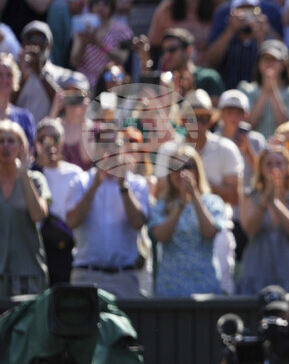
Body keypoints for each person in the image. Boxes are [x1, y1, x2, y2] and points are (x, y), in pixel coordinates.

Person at [65, 129, 151, 299]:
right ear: (95, 149)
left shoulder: (136, 183)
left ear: (122, 149)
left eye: (115, 145)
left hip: (123, 276)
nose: (110, 150)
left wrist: (123, 186)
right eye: (105, 145)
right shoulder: (81, 181)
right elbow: (72, 221)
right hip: (87, 275)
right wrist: (95, 186)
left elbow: (138, 222)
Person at [149, 145, 228, 296]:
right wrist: (180, 205)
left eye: (187, 166)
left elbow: (209, 232)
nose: (181, 173)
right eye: (175, 167)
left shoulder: (212, 202)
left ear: (197, 170)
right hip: (170, 287)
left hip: (204, 286)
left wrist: (194, 195)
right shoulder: (161, 204)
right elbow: (161, 236)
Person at [236, 143, 289, 295]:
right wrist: (264, 203)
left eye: (279, 164)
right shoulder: (249, 196)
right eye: (269, 164)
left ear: (287, 167)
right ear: (261, 169)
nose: (274, 169)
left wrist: (275, 203)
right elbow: (250, 229)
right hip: (258, 263)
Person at [0, 119, 50, 297]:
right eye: (1, 141)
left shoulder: (36, 179)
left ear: (22, 147)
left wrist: (23, 176)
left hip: (27, 272)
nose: (5, 146)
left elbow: (38, 215)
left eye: (11, 141)